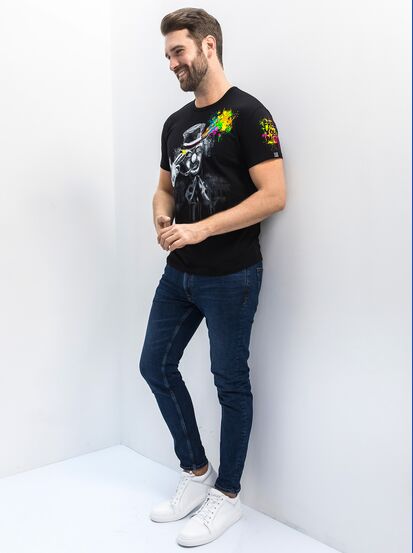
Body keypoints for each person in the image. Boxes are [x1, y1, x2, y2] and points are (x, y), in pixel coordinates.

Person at [139, 7, 286, 547]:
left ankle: (228, 497)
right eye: (167, 55)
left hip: (232, 276)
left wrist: (201, 230)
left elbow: (274, 195)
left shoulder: (250, 115)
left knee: (230, 382)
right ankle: (197, 472)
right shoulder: (175, 123)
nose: (172, 63)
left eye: (178, 51)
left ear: (208, 45)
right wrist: (163, 218)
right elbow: (164, 190)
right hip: (178, 275)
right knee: (154, 365)